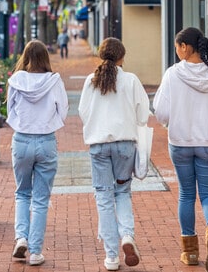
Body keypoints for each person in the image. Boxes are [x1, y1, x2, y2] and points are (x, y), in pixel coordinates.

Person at [152, 27, 208, 272]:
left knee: (186, 195)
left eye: (177, 46)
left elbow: (161, 112)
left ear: (185, 47)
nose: (176, 51)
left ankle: (189, 252)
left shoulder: (172, 74)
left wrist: (172, 120)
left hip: (181, 143)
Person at [78, 37, 149, 271]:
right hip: (125, 145)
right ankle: (127, 235)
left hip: (98, 146)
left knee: (104, 197)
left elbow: (83, 112)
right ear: (122, 56)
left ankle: (111, 256)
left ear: (101, 55)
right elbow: (143, 113)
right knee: (122, 192)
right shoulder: (131, 80)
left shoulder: (91, 81)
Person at [6, 40, 69, 266]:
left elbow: (10, 110)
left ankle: (21, 237)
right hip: (46, 140)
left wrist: (23, 123)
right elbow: (64, 110)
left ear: (25, 56)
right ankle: (35, 252)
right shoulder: (54, 81)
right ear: (45, 58)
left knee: (22, 193)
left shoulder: (15, 80)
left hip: (21, 140)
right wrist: (48, 122)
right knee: (41, 199)